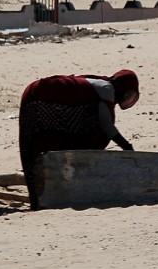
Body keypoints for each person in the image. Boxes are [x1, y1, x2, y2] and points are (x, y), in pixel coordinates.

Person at [18, 69, 140, 207]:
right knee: (45, 141)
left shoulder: (101, 85)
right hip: (46, 95)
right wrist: (126, 146)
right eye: (128, 94)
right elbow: (106, 126)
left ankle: (38, 195)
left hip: (35, 92)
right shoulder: (107, 89)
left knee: (36, 142)